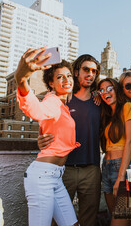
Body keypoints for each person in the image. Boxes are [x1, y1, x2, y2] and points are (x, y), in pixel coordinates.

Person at [15, 47, 79, 226]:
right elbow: (36, 109)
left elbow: (47, 125)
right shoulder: (52, 101)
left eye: (69, 76)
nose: (66, 80)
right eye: (60, 77)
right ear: (51, 83)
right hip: (42, 177)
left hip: (55, 177)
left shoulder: (63, 105)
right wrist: (21, 79)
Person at [38, 54, 101, 226]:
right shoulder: (63, 98)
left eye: (94, 71)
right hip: (64, 169)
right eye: (86, 69)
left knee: (89, 219)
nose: (90, 74)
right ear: (76, 72)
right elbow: (45, 126)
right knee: (57, 219)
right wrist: (40, 139)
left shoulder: (100, 101)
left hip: (92, 169)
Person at [98, 78, 131, 226]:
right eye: (101, 90)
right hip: (106, 167)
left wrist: (121, 176)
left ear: (117, 90)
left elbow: (130, 141)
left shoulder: (127, 107)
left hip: (122, 167)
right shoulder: (106, 114)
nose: (105, 92)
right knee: (118, 216)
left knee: (119, 220)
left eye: (109, 88)